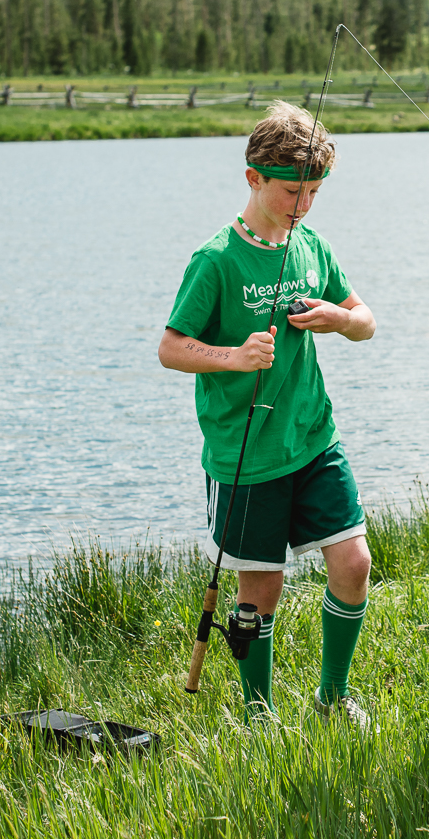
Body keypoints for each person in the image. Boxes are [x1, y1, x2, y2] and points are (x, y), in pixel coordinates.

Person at [159, 101, 376, 728]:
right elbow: (172, 348)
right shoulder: (216, 260)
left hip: (313, 438)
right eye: (290, 190)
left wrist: (338, 318)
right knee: (262, 591)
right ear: (253, 178)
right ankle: (259, 716)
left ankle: (333, 699)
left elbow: (365, 321)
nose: (302, 204)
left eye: (313, 191)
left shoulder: (312, 246)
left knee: (355, 563)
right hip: (244, 454)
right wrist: (234, 355)